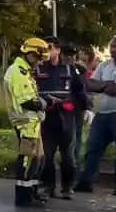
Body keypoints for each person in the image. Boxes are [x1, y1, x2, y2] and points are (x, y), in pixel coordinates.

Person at [75, 36, 116, 196]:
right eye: (112, 46)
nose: (114, 49)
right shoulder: (104, 65)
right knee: (93, 148)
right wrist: (108, 84)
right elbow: (89, 84)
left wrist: (102, 85)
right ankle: (87, 182)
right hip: (102, 113)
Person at [35, 37, 85, 199]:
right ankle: (49, 186)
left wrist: (86, 109)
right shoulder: (36, 69)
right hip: (46, 117)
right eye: (43, 48)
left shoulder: (70, 70)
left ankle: (67, 187)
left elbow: (80, 92)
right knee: (46, 155)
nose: (46, 51)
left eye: (49, 47)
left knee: (68, 157)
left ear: (58, 50)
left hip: (66, 118)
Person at [4, 37, 49, 207]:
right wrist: (44, 103)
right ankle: (23, 197)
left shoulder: (25, 71)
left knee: (38, 159)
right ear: (29, 53)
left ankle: (32, 192)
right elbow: (27, 101)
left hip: (32, 122)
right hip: (24, 122)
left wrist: (41, 105)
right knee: (27, 160)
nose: (39, 62)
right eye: (38, 58)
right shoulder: (18, 72)